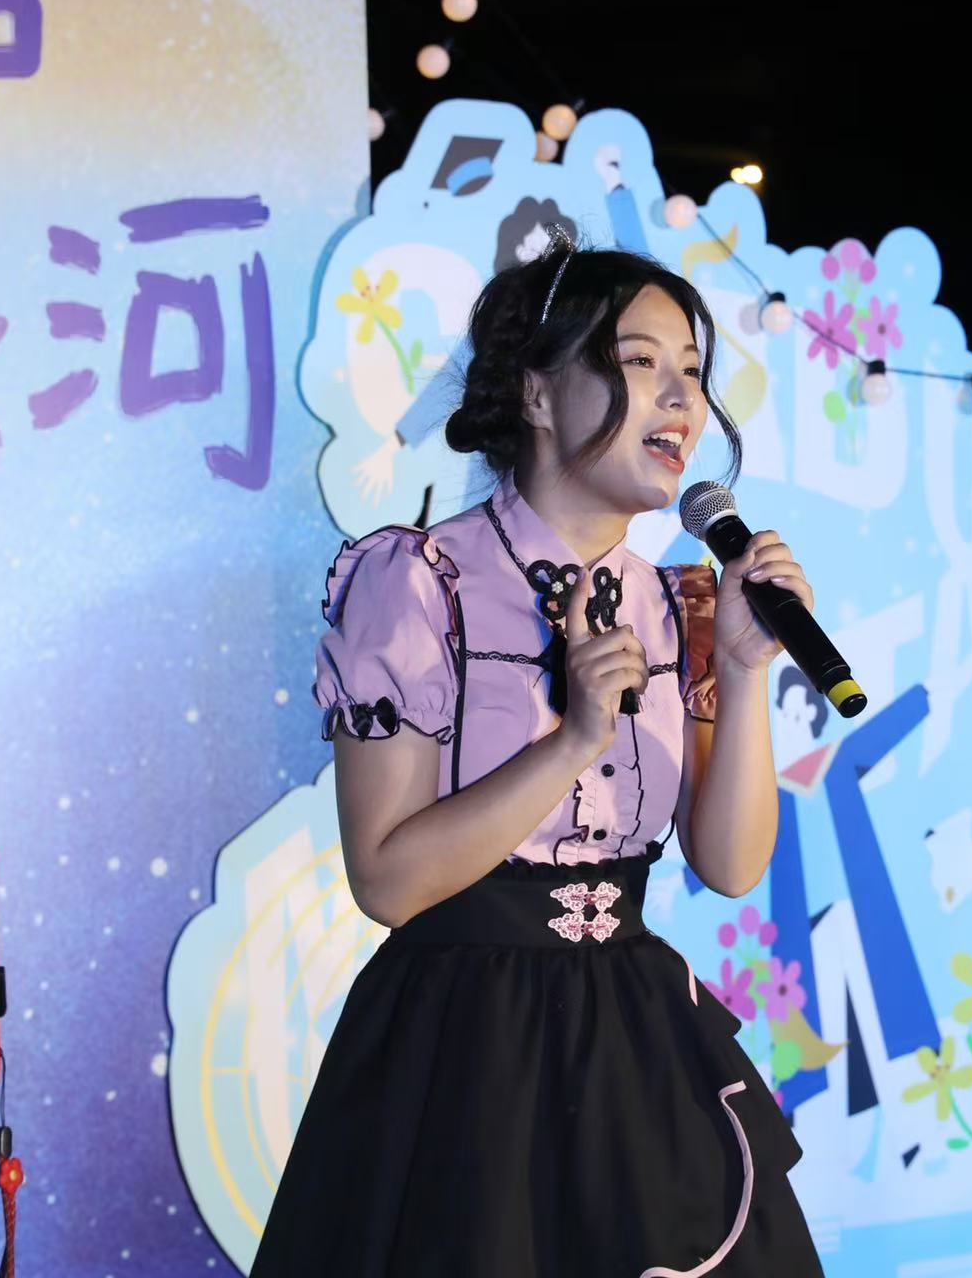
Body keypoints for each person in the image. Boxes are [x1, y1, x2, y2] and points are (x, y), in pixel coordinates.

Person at [251, 243, 825, 1277]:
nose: (680, 399)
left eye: (691, 372)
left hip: (635, 1043)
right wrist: (570, 743)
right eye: (639, 361)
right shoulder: (417, 580)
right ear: (536, 392)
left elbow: (733, 864)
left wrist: (743, 672)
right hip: (461, 1050)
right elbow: (387, 882)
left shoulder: (681, 601)